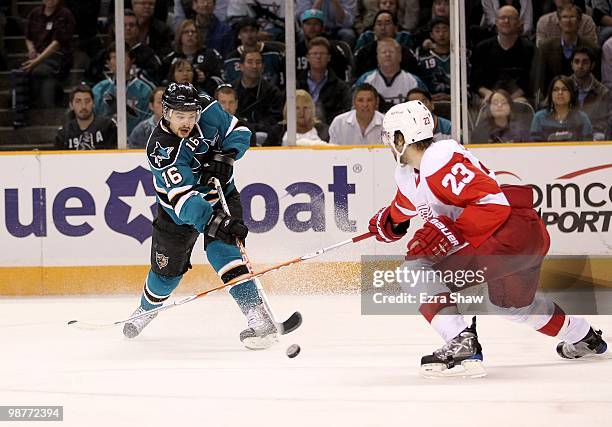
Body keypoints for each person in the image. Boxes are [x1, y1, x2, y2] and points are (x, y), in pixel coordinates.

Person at [367, 100, 607, 378]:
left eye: (389, 136)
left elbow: (493, 205)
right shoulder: (410, 173)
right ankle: (583, 336)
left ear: (401, 137)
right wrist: (389, 222)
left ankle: (460, 339)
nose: (387, 143)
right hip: (521, 238)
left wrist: (450, 232)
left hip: (505, 234)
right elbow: (404, 206)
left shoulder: (439, 157)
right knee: (512, 307)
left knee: (413, 271)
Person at [123, 82, 279, 350]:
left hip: (222, 195)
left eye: (191, 115)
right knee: (165, 276)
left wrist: (227, 156)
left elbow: (239, 131)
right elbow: (185, 202)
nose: (187, 122)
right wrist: (217, 222)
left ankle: (257, 316)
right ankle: (146, 309)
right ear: (166, 113)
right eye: (180, 116)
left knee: (224, 252)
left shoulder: (206, 107)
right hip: (179, 214)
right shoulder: (162, 150)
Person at [11, 0, 76, 127]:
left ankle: (24, 114)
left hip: (58, 59)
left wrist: (36, 61)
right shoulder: (34, 13)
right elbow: (28, 37)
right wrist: (31, 50)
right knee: (20, 72)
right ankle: (21, 112)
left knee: (37, 71)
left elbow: (57, 44)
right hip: (37, 57)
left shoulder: (65, 14)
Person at [532, 3, 599, 103]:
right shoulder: (545, 47)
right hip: (553, 99)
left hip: (583, 100)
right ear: (559, 22)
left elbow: (596, 81)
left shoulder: (592, 48)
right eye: (564, 17)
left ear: (579, 22)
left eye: (572, 17)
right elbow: (539, 81)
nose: (568, 21)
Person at [470, 5, 534, 104]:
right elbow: (475, 82)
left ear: (519, 22)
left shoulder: (530, 49)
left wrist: (509, 99)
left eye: (511, 18)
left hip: (518, 97)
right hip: (488, 96)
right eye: (502, 17)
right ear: (496, 22)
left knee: (521, 104)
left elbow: (531, 82)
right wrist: (491, 96)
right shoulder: (482, 48)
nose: (506, 21)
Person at [92, 42, 153, 135]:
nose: (119, 61)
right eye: (114, 58)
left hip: (135, 145)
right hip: (105, 144)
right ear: (108, 63)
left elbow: (148, 122)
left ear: (132, 60)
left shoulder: (144, 90)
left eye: (123, 57)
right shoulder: (98, 90)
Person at [355, 38, 427, 112]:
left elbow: (425, 109)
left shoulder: (414, 81)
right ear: (377, 57)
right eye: (383, 52)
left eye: (391, 52)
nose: (387, 55)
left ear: (400, 56)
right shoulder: (365, 80)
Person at [231, 49, 284, 141]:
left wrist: (256, 127)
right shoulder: (231, 90)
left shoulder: (272, 92)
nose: (254, 66)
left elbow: (275, 118)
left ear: (263, 67)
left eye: (258, 62)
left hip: (263, 134)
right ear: (241, 66)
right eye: (250, 62)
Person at [297, 37, 352, 125]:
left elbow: (345, 113)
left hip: (328, 130)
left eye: (322, 54)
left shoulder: (341, 88)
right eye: (314, 53)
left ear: (329, 58)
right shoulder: (296, 84)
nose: (318, 57)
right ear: (308, 57)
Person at [161, 20, 224, 95]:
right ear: (179, 35)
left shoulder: (210, 55)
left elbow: (221, 81)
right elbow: (162, 82)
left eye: (193, 32)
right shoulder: (170, 58)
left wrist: (205, 78)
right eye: (186, 32)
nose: (190, 34)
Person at [223, 17, 285, 88]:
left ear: (258, 33)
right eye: (245, 31)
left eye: (252, 30)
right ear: (239, 35)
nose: (249, 34)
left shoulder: (274, 54)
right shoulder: (230, 60)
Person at [530, 75, 593, 141]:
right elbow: (534, 147)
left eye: (564, 89)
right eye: (556, 90)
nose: (560, 92)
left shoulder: (582, 118)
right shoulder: (539, 118)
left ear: (571, 93)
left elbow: (588, 146)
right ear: (551, 94)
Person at [55, 84, 117, 150]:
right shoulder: (64, 133)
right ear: (71, 105)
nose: (83, 106)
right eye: (78, 101)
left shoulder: (108, 126)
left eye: (87, 101)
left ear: (93, 103)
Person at [569, 47, 610, 139]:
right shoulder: (563, 87)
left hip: (594, 136)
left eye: (585, 62)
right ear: (571, 64)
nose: (580, 66)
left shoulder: (603, 92)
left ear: (592, 65)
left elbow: (606, 120)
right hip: (567, 134)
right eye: (576, 62)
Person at [264, 89, 330, 146]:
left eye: (305, 108)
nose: (301, 112)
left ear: (312, 110)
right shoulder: (278, 131)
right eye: (297, 108)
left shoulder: (323, 130)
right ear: (288, 110)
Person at [416, 16, 450, 101]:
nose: (441, 34)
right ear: (431, 35)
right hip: (430, 103)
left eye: (445, 30)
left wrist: (451, 97)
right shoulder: (423, 60)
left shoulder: (461, 58)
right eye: (437, 31)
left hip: (457, 103)